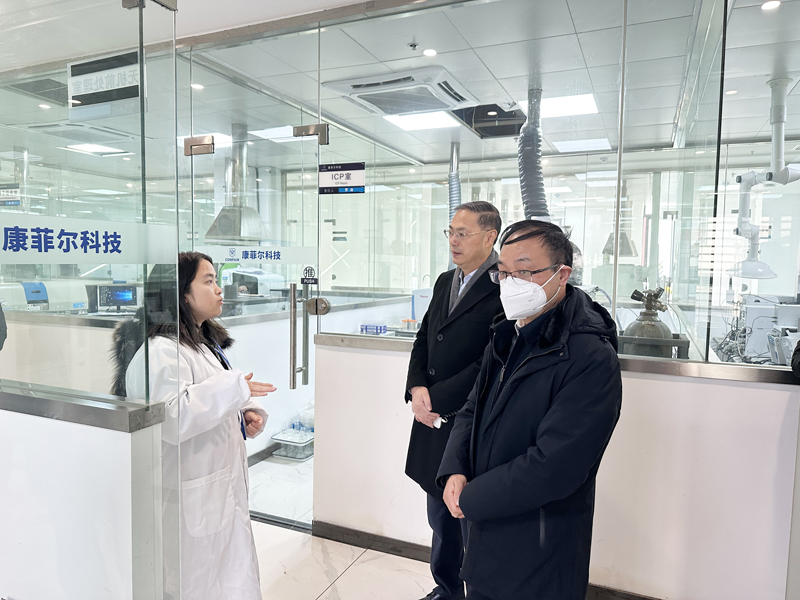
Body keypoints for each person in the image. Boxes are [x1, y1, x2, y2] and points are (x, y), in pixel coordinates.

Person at [436, 220, 622, 600]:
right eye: (503, 273)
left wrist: (472, 498)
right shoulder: (507, 334)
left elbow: (554, 467)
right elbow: (472, 408)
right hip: (484, 534)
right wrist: (454, 469)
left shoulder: (589, 357)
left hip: (539, 546)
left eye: (523, 272)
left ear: (561, 274)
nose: (510, 284)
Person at [124, 252, 275, 600]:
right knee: (195, 582)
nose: (220, 290)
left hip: (215, 490)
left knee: (226, 573)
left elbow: (207, 398)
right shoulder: (161, 351)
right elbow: (171, 418)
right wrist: (233, 390)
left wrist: (242, 411)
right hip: (191, 497)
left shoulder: (201, 344)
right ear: (181, 293)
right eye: (209, 281)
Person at [405, 201, 504, 600]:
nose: (454, 241)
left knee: (469, 517)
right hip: (433, 420)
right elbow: (425, 338)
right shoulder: (446, 280)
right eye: (451, 232)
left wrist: (437, 398)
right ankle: (446, 590)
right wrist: (416, 388)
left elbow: (491, 360)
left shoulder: (504, 285)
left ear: (490, 236)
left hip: (472, 420)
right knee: (440, 516)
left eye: (463, 233)